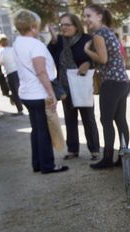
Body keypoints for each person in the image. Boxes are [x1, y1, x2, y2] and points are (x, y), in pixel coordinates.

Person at [12, 9, 68, 174]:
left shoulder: (17, 42)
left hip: (26, 93)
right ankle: (47, 165)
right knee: (44, 129)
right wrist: (51, 94)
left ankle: (37, 163)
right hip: (39, 93)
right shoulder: (35, 44)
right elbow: (41, 71)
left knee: (36, 129)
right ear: (32, 26)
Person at [83, 4, 130, 169]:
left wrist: (87, 51)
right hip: (123, 81)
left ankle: (107, 158)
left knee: (106, 120)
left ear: (99, 16)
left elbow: (103, 59)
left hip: (110, 82)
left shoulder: (99, 34)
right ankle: (124, 157)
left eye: (89, 16)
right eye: (85, 16)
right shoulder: (110, 32)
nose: (86, 20)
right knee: (120, 120)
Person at [47, 13, 100, 161]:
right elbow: (48, 58)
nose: (63, 27)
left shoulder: (86, 39)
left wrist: (89, 63)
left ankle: (95, 149)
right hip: (64, 85)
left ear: (76, 26)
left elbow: (97, 57)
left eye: (67, 24)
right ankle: (73, 149)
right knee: (70, 119)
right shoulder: (58, 42)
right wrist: (52, 41)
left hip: (82, 84)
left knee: (88, 118)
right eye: (61, 25)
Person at [0, 35, 24, 115]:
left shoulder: (1, 51)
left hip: (9, 73)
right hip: (17, 71)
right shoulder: (12, 49)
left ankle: (20, 109)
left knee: (14, 92)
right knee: (20, 90)